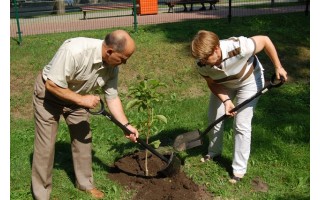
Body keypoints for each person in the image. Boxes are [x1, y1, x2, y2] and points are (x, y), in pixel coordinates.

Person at [31, 30, 139, 199]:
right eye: (123, 59)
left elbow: (112, 98)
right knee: (45, 146)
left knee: (83, 140)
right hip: (49, 96)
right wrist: (82, 101)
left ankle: (85, 184)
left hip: (79, 98)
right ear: (110, 51)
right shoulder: (75, 50)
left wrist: (125, 125)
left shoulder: (112, 66)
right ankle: (41, 194)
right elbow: (52, 85)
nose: (124, 63)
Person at [190, 30, 287, 184]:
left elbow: (265, 40)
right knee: (213, 116)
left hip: (249, 80)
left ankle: (239, 170)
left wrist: (278, 67)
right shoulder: (202, 63)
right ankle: (214, 152)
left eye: (207, 59)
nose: (205, 63)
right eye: (202, 60)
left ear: (216, 49)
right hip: (224, 84)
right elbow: (212, 84)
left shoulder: (239, 47)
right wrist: (226, 101)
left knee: (241, 123)